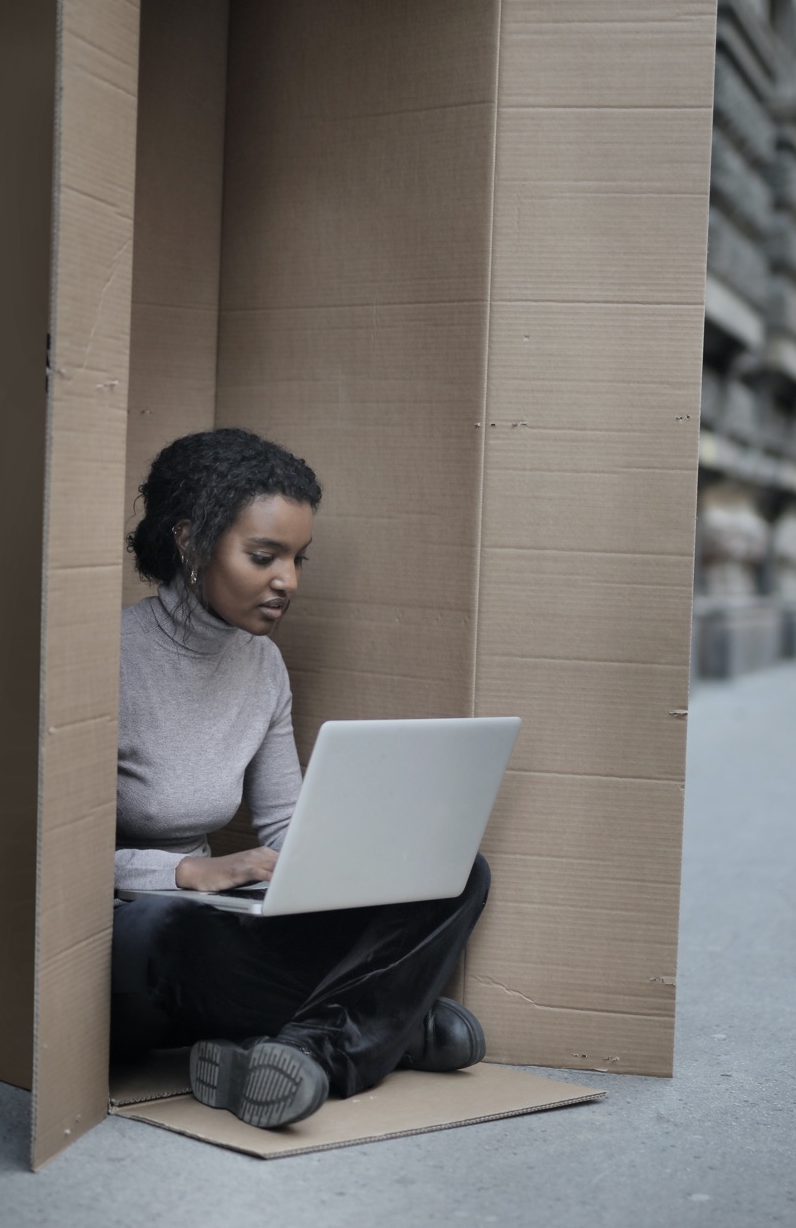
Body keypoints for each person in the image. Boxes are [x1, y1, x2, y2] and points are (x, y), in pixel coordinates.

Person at [110, 428, 491, 1130]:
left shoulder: (263, 667)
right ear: (190, 542)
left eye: (296, 558)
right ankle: (389, 1033)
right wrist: (191, 873)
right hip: (140, 932)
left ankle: (302, 1052)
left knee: (458, 872)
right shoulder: (108, 658)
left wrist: (371, 857)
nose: (288, 579)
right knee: (158, 933)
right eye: (264, 556)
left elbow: (286, 828)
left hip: (231, 922)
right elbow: (50, 862)